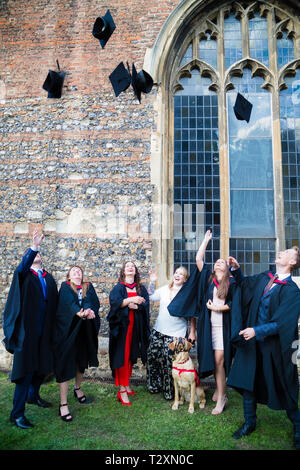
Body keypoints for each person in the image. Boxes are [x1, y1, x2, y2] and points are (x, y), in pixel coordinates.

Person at [227, 247, 300, 449]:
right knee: (248, 382)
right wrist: (236, 270)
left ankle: (298, 428)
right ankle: (249, 423)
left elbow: (283, 323)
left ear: (293, 262)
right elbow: (244, 286)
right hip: (252, 345)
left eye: (286, 253)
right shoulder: (265, 278)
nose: (280, 253)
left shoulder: (292, 290)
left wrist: (257, 330)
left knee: (284, 386)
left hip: (275, 348)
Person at [168, 230, 240, 415]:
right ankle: (219, 388)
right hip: (208, 328)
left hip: (224, 327)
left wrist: (220, 308)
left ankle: (222, 397)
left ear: (227, 268)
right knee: (216, 362)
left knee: (219, 360)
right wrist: (205, 240)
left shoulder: (231, 283)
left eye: (222, 262)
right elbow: (199, 259)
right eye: (216, 261)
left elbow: (236, 303)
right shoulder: (209, 279)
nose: (218, 263)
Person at [3, 230, 58, 429]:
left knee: (40, 367)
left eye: (38, 255)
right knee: (25, 371)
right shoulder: (25, 276)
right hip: (27, 333)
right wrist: (34, 247)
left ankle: (33, 396)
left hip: (44, 332)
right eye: (34, 256)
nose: (37, 257)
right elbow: (21, 269)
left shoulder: (48, 278)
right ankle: (16, 414)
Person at [53, 265, 100, 422]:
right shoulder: (65, 287)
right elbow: (68, 302)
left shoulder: (88, 286)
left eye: (79, 271)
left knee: (81, 362)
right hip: (67, 332)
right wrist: (79, 312)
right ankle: (63, 403)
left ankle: (77, 388)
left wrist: (88, 310)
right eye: (73, 271)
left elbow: (91, 301)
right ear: (68, 276)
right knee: (66, 365)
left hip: (83, 332)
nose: (77, 272)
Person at [146, 266, 195, 400]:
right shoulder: (164, 289)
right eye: (176, 273)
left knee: (170, 362)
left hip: (176, 333)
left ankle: (169, 391)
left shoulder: (186, 294)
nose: (177, 275)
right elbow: (150, 296)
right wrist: (152, 281)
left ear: (185, 280)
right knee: (153, 357)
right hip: (159, 330)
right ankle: (154, 386)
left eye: (182, 274)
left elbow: (192, 315)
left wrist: (192, 332)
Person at [107, 261, 150, 406]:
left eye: (133, 266)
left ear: (135, 271)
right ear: (123, 271)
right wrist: (128, 301)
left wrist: (136, 306)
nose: (130, 267)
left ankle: (126, 384)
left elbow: (145, 304)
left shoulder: (140, 288)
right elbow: (114, 304)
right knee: (122, 356)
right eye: (127, 266)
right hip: (122, 328)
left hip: (136, 326)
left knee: (131, 356)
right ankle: (122, 390)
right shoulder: (119, 288)